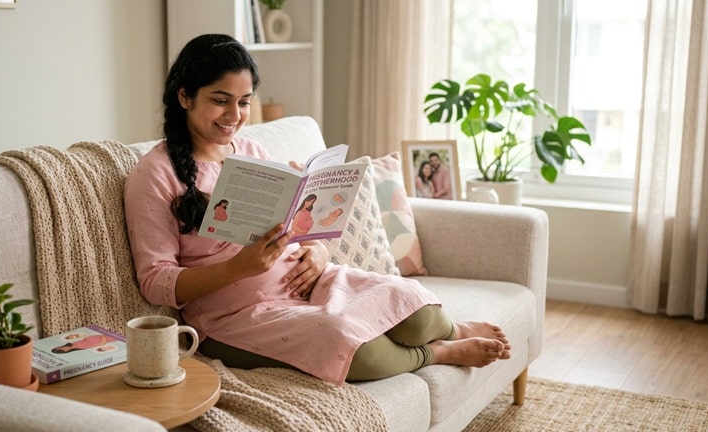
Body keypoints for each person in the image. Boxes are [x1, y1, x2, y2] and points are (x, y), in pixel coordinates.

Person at [123, 34, 510, 385]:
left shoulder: (251, 151)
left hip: (308, 283)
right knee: (355, 350)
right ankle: (438, 352)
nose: (234, 116)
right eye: (220, 101)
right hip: (235, 317)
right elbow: (156, 281)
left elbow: (295, 228)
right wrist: (239, 268)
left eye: (243, 102)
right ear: (185, 96)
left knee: (420, 310)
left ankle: (449, 329)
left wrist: (319, 252)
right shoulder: (155, 174)